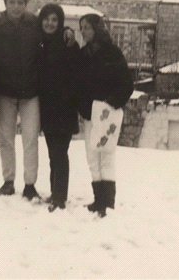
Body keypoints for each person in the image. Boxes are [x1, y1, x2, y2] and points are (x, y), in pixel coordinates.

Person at [0, 0, 74, 200]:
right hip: (5, 91)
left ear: (26, 5)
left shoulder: (34, 23)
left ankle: (29, 184)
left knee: (30, 139)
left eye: (20, 3)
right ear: (5, 4)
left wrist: (67, 30)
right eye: (11, 2)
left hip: (30, 92)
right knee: (6, 139)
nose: (16, 7)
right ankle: (8, 181)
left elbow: (52, 27)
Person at [77, 14, 134, 217]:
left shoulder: (112, 53)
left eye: (87, 27)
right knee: (92, 156)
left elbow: (126, 83)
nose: (83, 31)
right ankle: (97, 200)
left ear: (98, 29)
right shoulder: (83, 54)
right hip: (90, 114)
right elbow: (78, 85)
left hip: (107, 114)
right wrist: (84, 107)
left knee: (106, 156)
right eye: (81, 27)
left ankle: (107, 203)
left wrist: (112, 102)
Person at [37, 4, 81, 212]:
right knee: (52, 153)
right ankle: (56, 192)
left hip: (63, 108)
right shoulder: (41, 42)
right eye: (46, 19)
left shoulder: (67, 42)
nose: (50, 23)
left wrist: (68, 98)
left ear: (61, 23)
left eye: (55, 20)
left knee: (59, 152)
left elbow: (75, 73)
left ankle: (60, 197)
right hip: (47, 107)